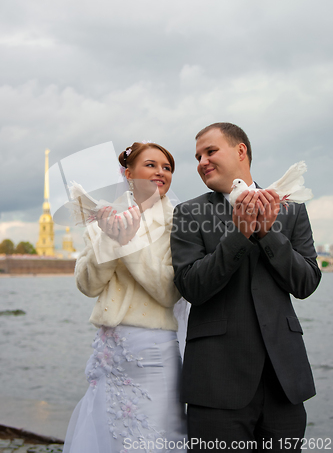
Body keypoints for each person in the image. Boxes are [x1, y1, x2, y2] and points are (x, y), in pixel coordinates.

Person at [170, 123, 321, 452]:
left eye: (210, 151)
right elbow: (191, 286)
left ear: (241, 151)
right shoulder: (188, 212)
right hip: (216, 383)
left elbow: (307, 282)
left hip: (284, 382)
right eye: (197, 156)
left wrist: (270, 234)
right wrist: (238, 235)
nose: (202, 162)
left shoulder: (290, 208)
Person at [63, 142, 187, 453]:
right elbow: (88, 285)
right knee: (104, 434)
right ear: (128, 173)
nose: (160, 171)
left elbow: (169, 291)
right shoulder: (104, 216)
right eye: (151, 164)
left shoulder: (179, 221)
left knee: (154, 436)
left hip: (155, 351)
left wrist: (128, 245)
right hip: (109, 351)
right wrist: (110, 240)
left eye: (167, 167)